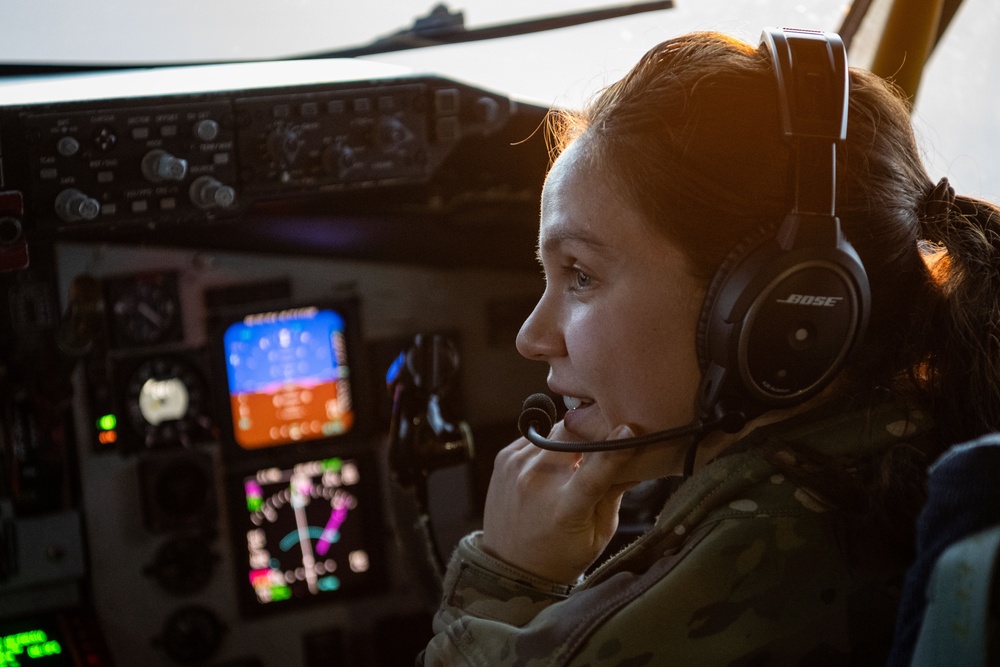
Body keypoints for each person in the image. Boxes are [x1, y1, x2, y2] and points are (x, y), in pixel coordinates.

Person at [419, 28, 1000, 665]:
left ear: (775, 307)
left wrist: (506, 580)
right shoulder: (929, 433)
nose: (532, 338)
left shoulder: (772, 550)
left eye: (581, 275)